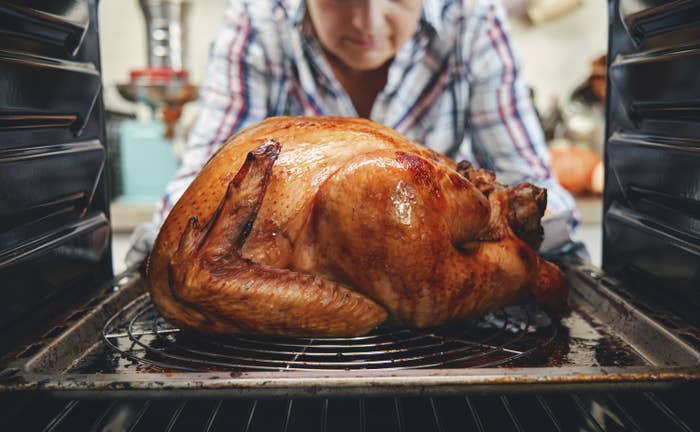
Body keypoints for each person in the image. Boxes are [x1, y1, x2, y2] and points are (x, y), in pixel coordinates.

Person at [126, 0, 578, 267]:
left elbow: (534, 192)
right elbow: (198, 190)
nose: (368, 22)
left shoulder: (472, 17)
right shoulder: (260, 21)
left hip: (447, 309)